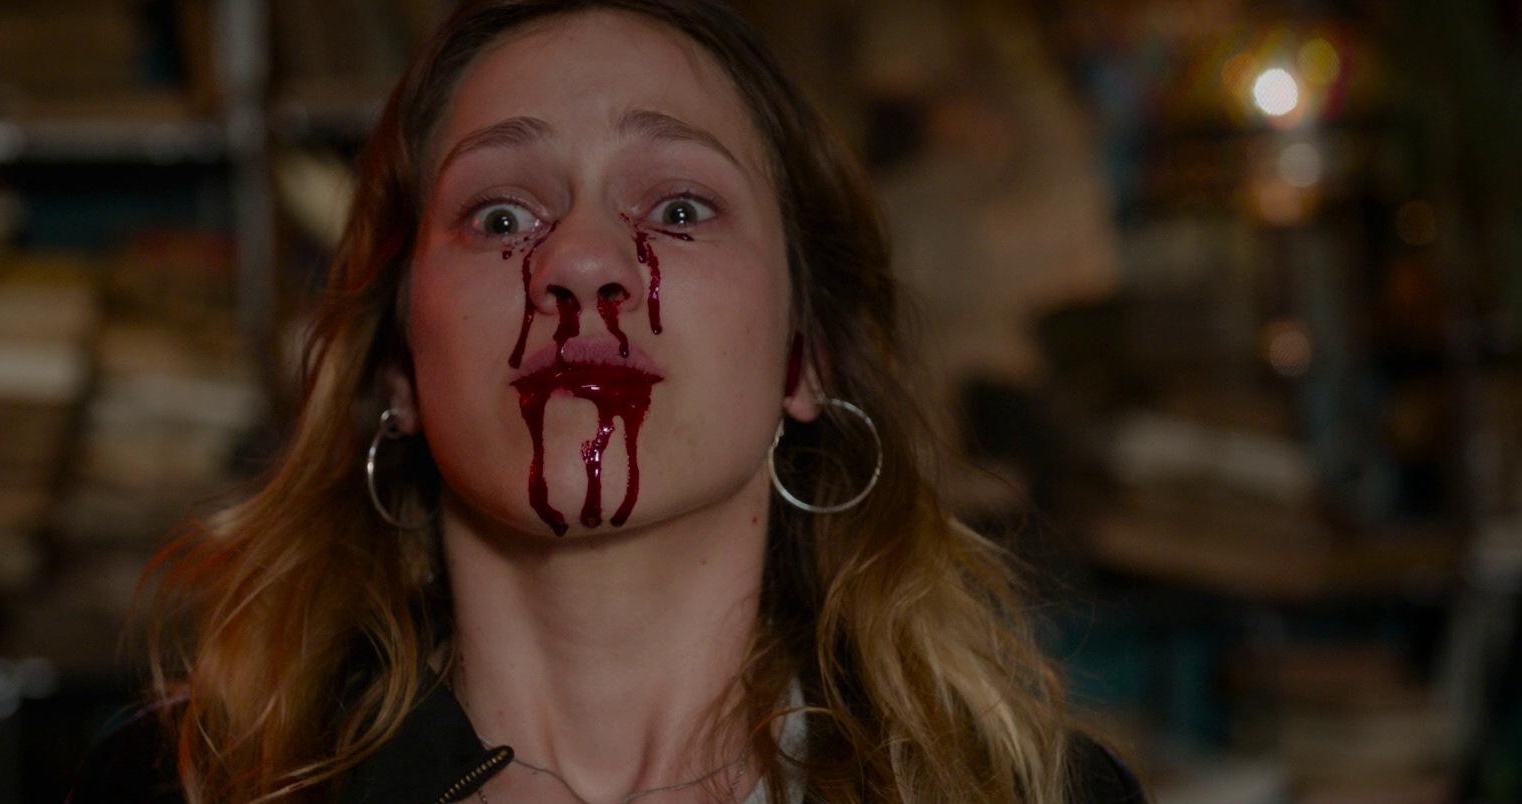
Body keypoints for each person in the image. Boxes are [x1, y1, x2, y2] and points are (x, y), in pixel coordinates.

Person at [68, 1, 1149, 802]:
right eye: (500, 218)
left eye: (680, 207)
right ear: (397, 369)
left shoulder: (1030, 797)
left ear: (804, 358)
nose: (583, 263)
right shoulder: (187, 787)